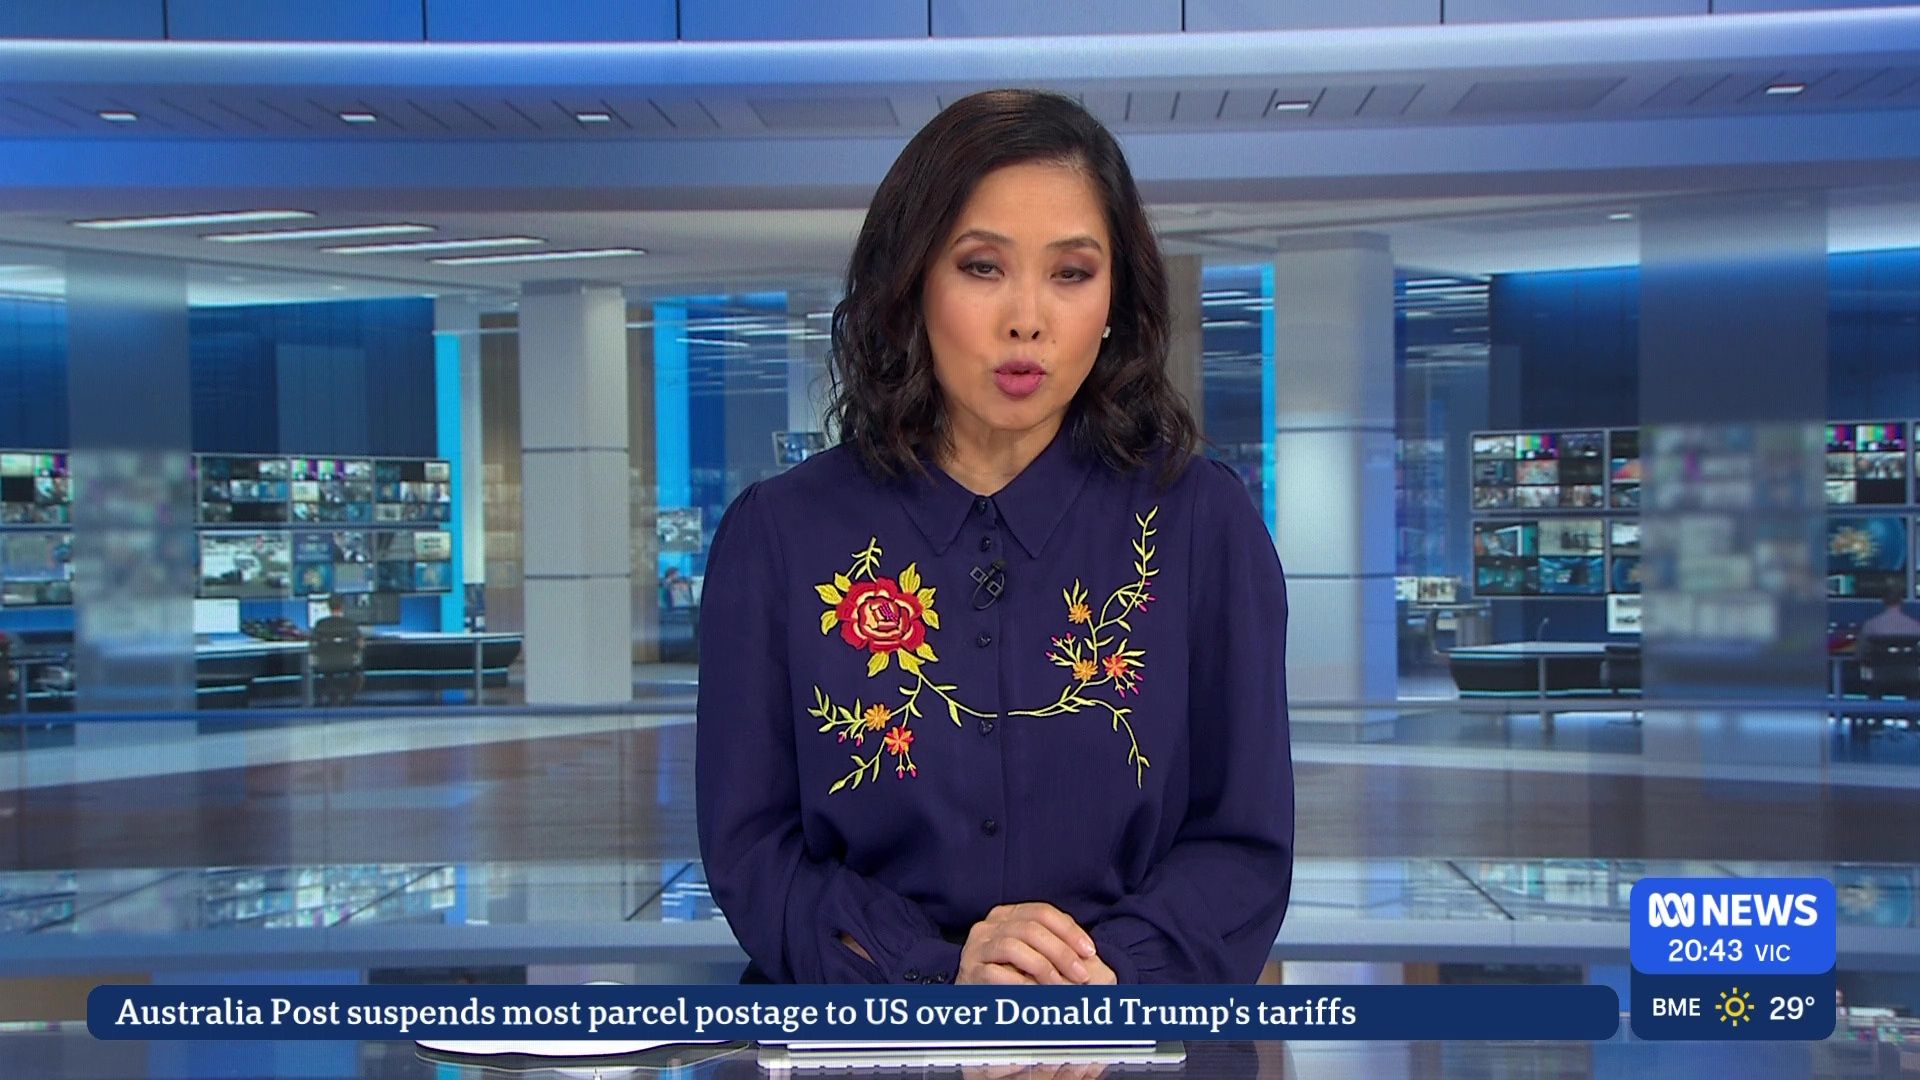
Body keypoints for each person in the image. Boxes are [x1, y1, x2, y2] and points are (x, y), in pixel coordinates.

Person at [695, 89, 1292, 986]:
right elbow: (753, 853)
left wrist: (1093, 979)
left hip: (1126, 1028)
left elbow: (1243, 846)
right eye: (982, 267)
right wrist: (935, 973)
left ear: (1116, 299)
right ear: (910, 284)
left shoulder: (1203, 525)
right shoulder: (779, 536)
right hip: (864, 1032)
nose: (1027, 319)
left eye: (1071, 273)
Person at [309, 595, 364, 706]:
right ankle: (348, 699)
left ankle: (332, 696)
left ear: (328, 606)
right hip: (348, 663)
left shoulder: (320, 624)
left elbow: (312, 644)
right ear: (342, 606)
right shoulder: (350, 623)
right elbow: (361, 644)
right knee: (358, 670)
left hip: (324, 664)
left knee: (328, 670)